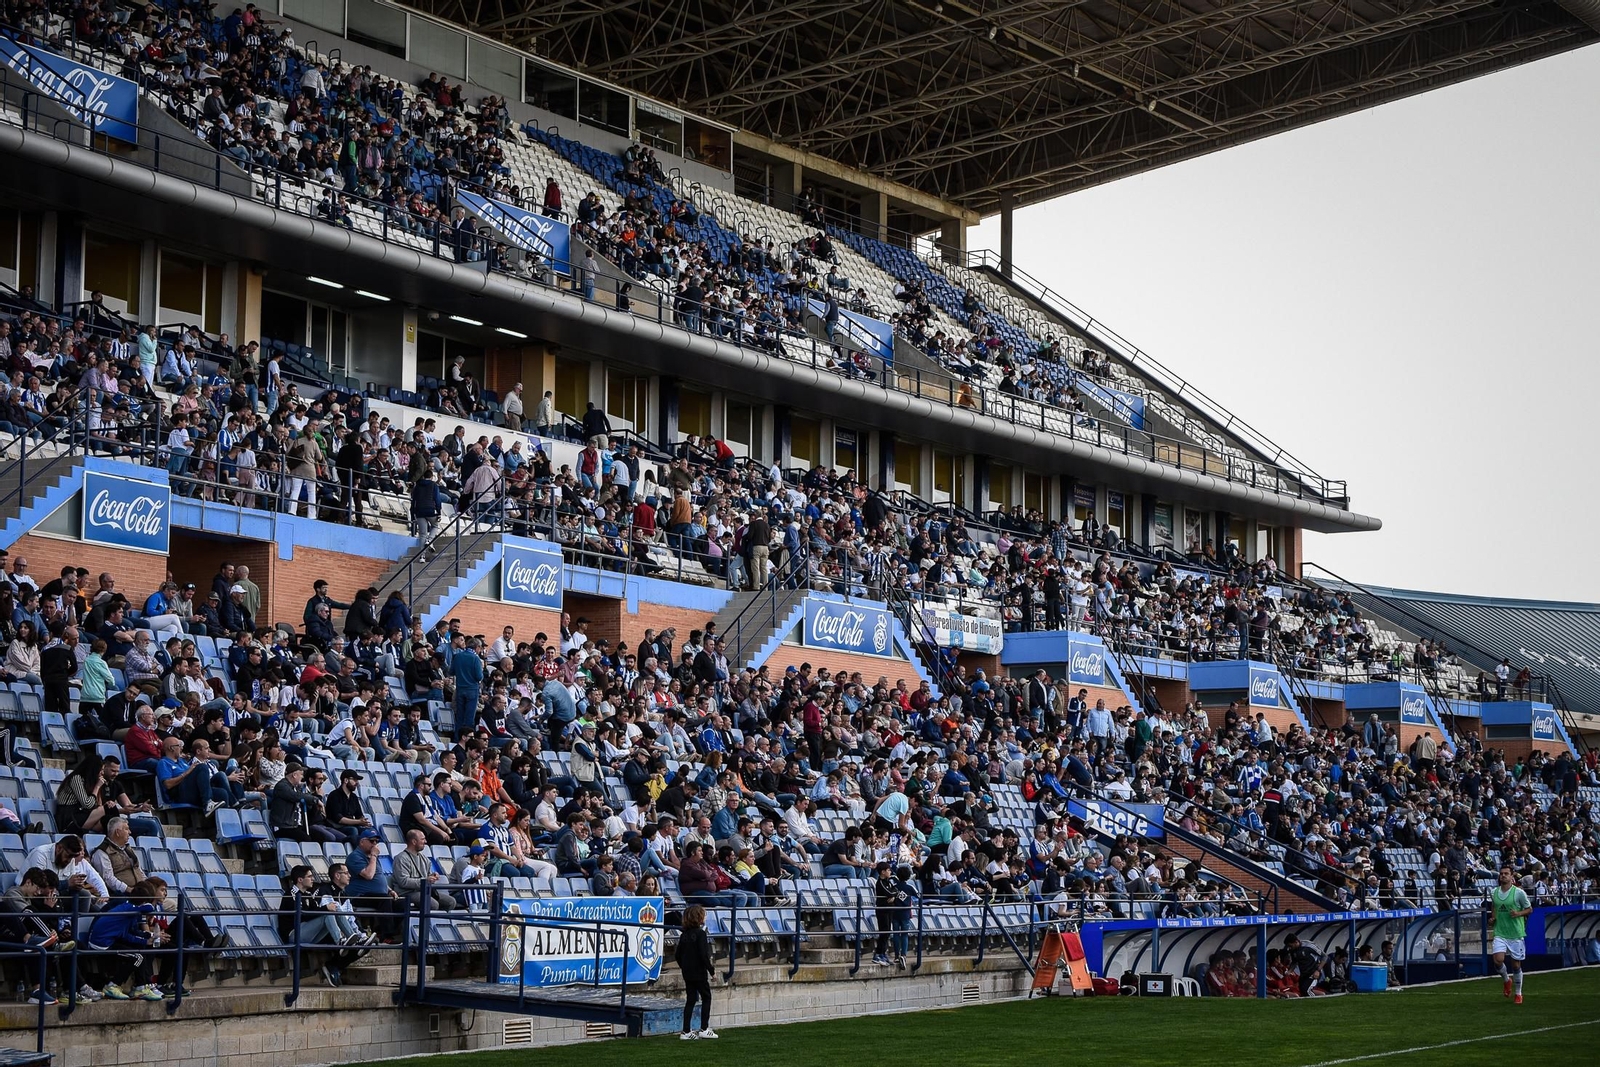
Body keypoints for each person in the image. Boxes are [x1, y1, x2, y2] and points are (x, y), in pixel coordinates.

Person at [1490, 865, 1532, 1003]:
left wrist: (1518, 913)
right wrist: (1493, 917)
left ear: (1511, 876)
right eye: (1501, 873)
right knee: (1498, 960)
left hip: (1515, 933)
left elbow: (1529, 909)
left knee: (1516, 965)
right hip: (1500, 932)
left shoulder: (1519, 893)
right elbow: (1494, 906)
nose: (1503, 875)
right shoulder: (1494, 892)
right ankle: (1507, 980)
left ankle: (1518, 993)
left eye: (1506, 873)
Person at [675, 903, 716, 1040]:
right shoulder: (701, 934)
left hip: (687, 973)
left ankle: (686, 1031)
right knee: (706, 997)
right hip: (699, 972)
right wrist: (711, 971)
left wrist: (684, 966)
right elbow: (703, 955)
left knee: (690, 1000)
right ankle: (704, 1028)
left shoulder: (684, 935)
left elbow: (677, 955)